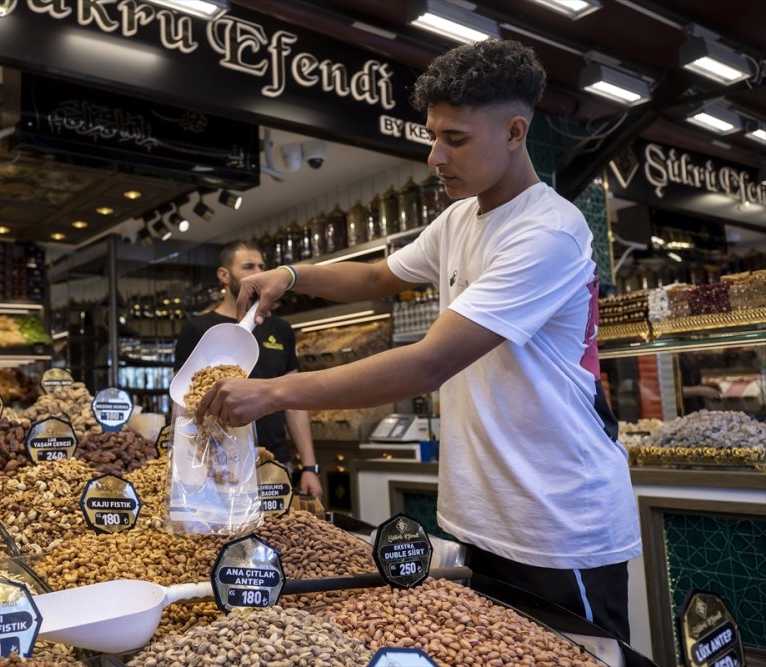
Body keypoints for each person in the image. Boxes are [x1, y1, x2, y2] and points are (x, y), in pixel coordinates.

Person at [195, 40, 640, 642]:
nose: (435, 155)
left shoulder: (548, 232)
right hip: (489, 515)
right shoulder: (461, 218)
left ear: (514, 131)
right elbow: (379, 275)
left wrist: (273, 392)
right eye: (432, 136)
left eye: (455, 138)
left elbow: (429, 363)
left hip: (558, 524)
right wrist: (291, 277)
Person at [174, 240, 322, 499]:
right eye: (248, 266)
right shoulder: (198, 329)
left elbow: (296, 404)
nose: (258, 272)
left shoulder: (281, 330)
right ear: (224, 275)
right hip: (217, 465)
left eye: (262, 266)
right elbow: (183, 402)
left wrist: (309, 466)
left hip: (274, 462)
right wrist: (183, 465)